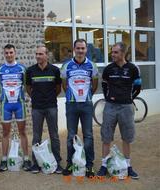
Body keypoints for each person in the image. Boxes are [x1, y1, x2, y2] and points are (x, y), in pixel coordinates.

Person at [97, 42, 141, 179]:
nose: (113, 54)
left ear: (123, 53)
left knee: (127, 137)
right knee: (106, 136)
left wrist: (129, 99)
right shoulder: (108, 69)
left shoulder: (133, 68)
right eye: (112, 52)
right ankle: (104, 165)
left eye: (115, 52)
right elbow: (104, 86)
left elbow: (138, 87)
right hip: (110, 106)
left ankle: (128, 166)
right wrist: (109, 98)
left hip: (126, 108)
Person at [60, 39, 98, 177]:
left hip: (86, 104)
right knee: (71, 135)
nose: (80, 51)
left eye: (83, 48)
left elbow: (94, 85)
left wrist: (87, 96)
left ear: (86, 50)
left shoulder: (92, 66)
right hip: (71, 104)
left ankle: (89, 166)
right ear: (74, 49)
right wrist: (72, 96)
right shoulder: (66, 66)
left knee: (88, 135)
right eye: (78, 48)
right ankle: (70, 163)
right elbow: (64, 84)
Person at [26, 46, 63, 174]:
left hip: (51, 107)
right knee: (36, 136)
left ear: (47, 55)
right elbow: (28, 88)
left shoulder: (55, 70)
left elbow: (58, 88)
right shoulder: (30, 71)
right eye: (36, 54)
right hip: (37, 108)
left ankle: (57, 162)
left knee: (54, 135)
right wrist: (36, 98)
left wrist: (50, 98)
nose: (38, 56)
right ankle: (35, 163)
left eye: (40, 54)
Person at [0, 44, 32, 172]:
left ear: (15, 53)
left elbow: (26, 86)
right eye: (6, 53)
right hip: (6, 105)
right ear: (4, 54)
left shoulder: (22, 69)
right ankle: (4, 160)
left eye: (11, 52)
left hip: (19, 104)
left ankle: (27, 159)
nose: (9, 55)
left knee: (22, 132)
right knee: (5, 133)